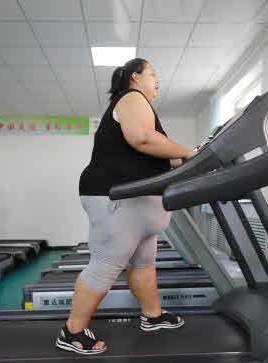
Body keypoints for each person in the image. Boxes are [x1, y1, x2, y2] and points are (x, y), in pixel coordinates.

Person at [56, 58, 197, 355]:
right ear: (135, 77)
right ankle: (72, 332)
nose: (158, 81)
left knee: (144, 263)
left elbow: (160, 156)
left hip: (137, 201)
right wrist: (187, 152)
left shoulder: (141, 106)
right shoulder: (132, 98)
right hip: (115, 197)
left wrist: (190, 157)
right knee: (106, 265)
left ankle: (153, 316)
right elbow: (142, 138)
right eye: (153, 74)